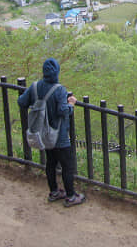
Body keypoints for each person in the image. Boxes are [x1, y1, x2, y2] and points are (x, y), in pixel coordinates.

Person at [18, 58, 85, 207]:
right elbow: (63, 110)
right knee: (67, 166)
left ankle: (54, 192)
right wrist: (71, 104)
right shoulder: (59, 89)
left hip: (43, 134)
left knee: (51, 163)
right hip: (59, 135)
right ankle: (71, 196)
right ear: (57, 72)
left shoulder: (35, 86)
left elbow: (22, 102)